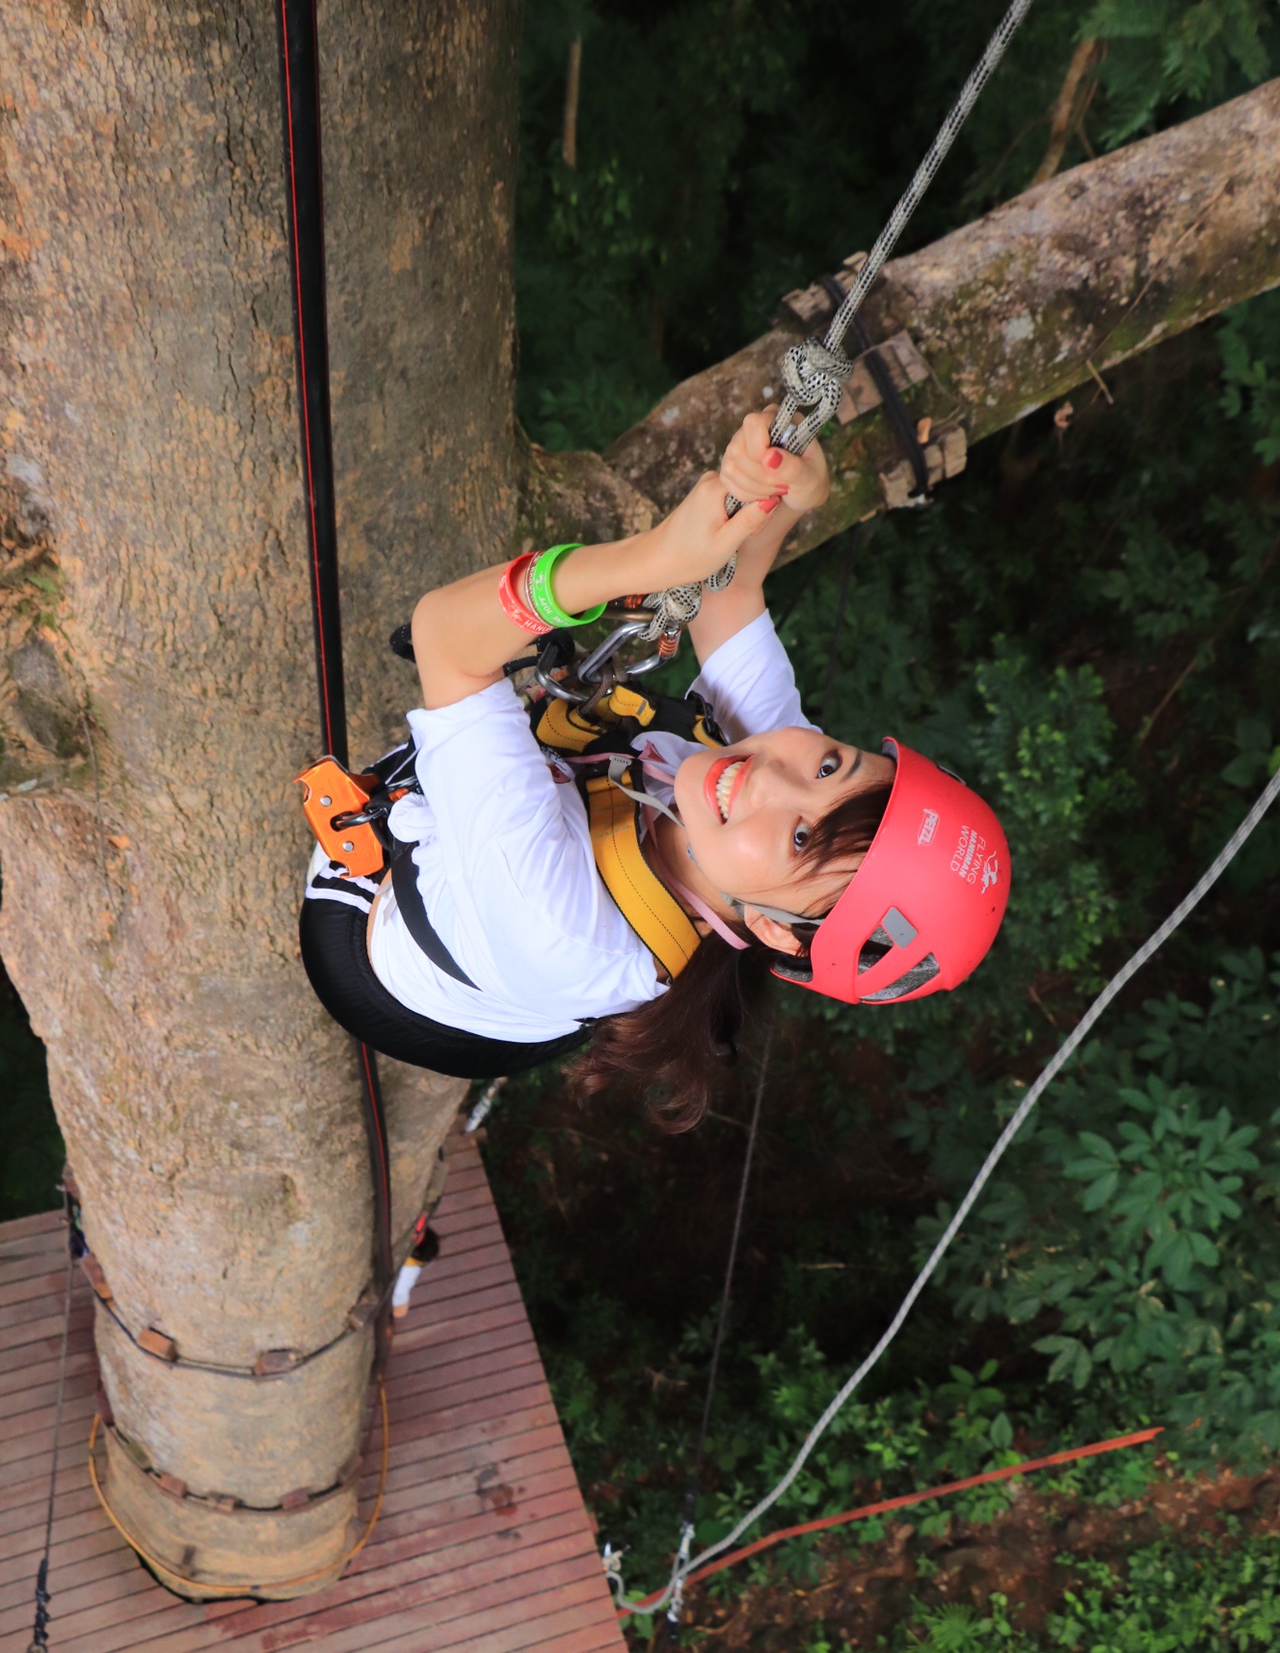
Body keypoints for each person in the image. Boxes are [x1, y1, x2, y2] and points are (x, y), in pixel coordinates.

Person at [299, 410, 1009, 1129]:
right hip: (517, 981)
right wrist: (788, 493)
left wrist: (652, 560)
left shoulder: (561, 925)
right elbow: (729, 596)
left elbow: (446, 637)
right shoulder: (778, 782)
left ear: (774, 932)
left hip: (371, 952)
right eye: (833, 764)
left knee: (461, 741)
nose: (771, 776)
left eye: (801, 840)